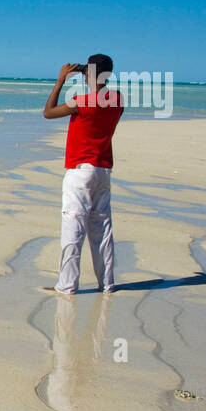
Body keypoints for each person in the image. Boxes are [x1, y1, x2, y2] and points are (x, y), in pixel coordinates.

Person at [42, 54, 123, 294]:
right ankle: (107, 283)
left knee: (73, 228)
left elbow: (48, 112)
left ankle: (67, 285)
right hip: (103, 170)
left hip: (80, 172)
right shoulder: (117, 100)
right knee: (102, 231)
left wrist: (60, 81)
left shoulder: (81, 101)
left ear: (91, 73)